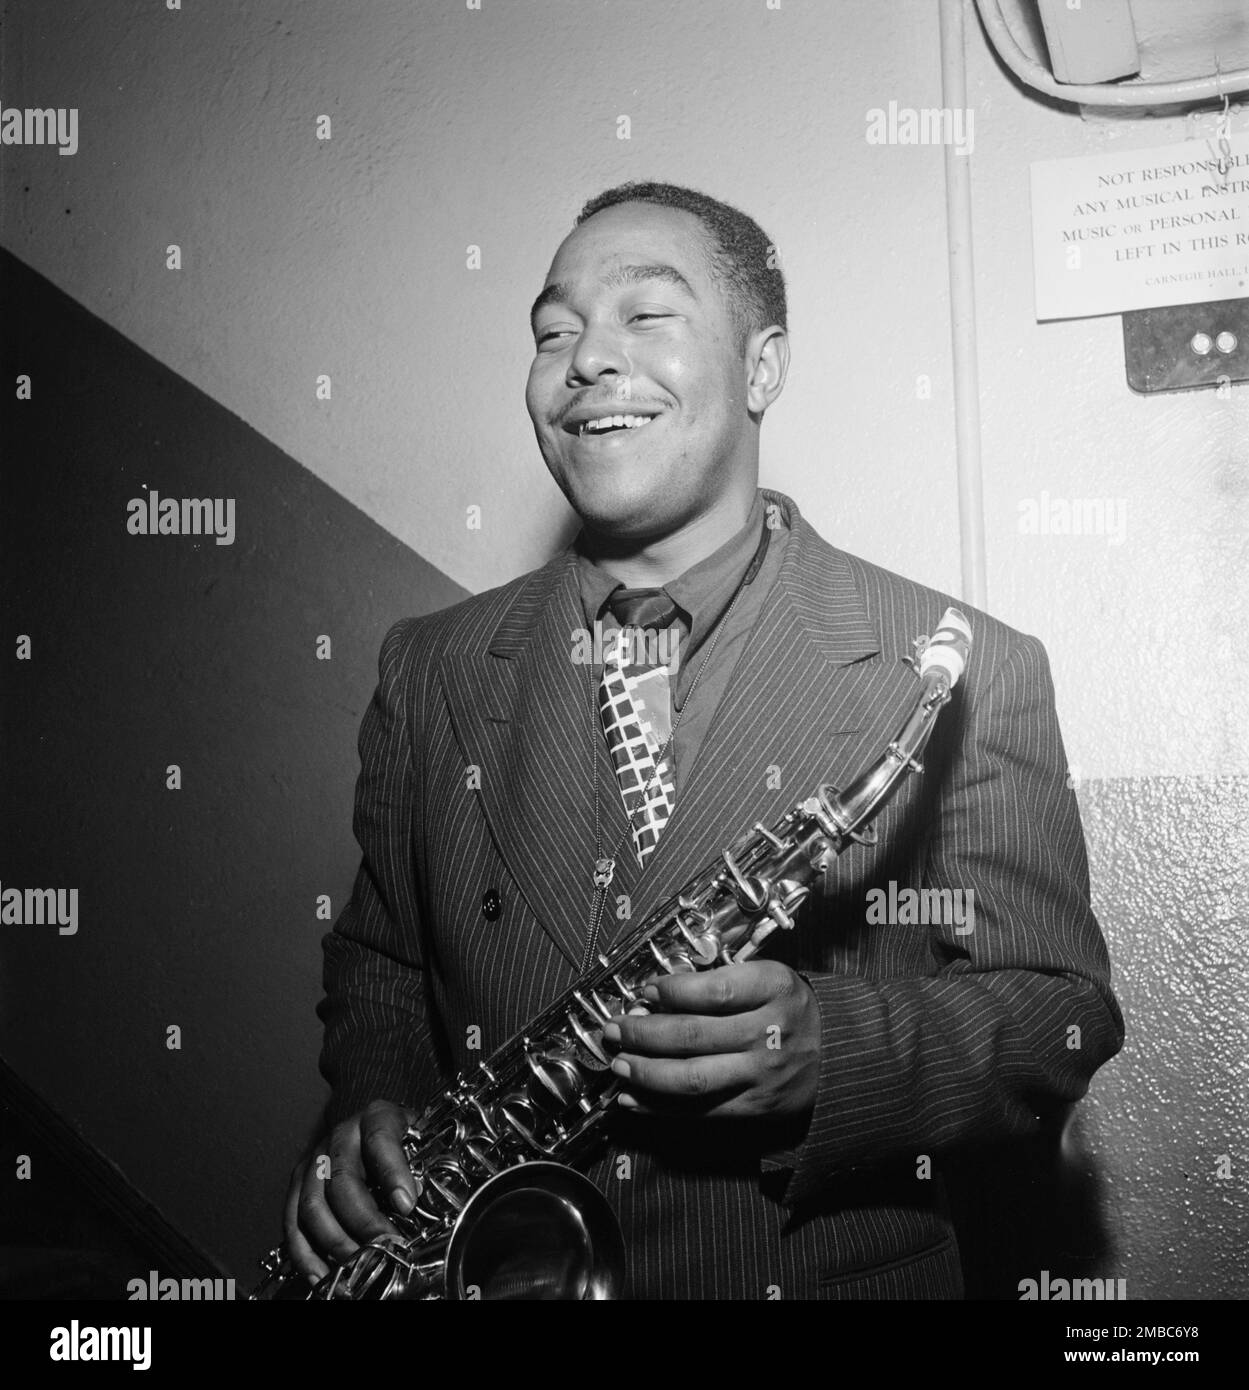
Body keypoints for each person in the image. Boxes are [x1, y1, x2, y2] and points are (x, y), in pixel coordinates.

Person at [280, 181, 1124, 1299]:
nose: (584, 360)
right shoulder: (427, 667)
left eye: (644, 315)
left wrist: (840, 1051)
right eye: (553, 332)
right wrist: (366, 1117)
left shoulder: (967, 665)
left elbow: (1062, 1012)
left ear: (763, 366)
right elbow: (382, 960)